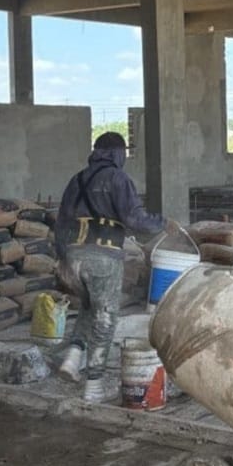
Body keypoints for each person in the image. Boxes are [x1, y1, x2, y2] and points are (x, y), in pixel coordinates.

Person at [54, 131, 179, 402]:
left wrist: (62, 258)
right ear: (117, 153)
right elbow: (133, 218)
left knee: (89, 308)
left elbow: (62, 222)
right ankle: (94, 384)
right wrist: (161, 223)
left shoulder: (77, 179)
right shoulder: (118, 179)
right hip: (103, 256)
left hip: (74, 256)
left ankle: (73, 357)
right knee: (106, 318)